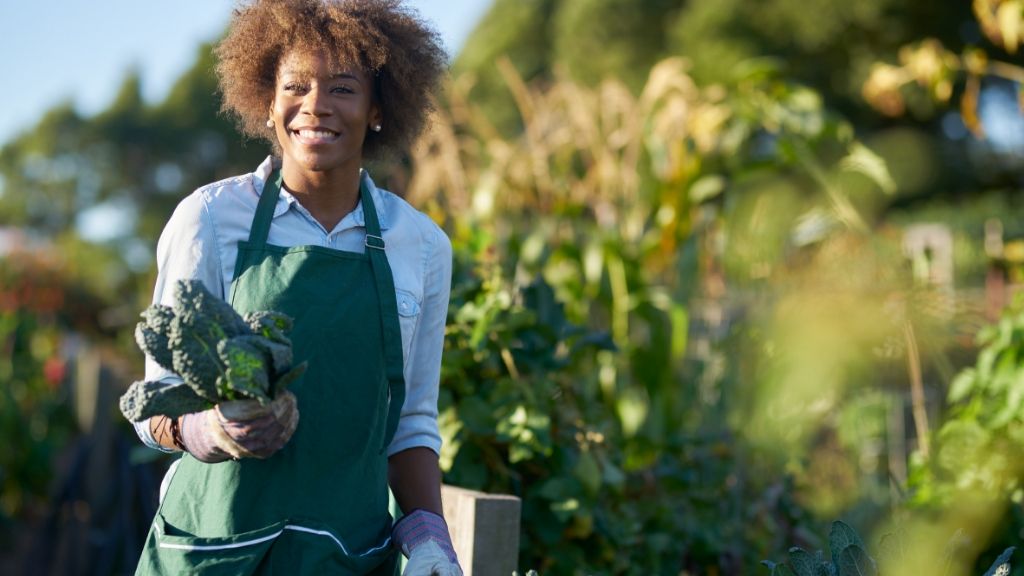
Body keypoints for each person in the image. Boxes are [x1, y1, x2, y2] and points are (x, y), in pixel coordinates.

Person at [130, 1, 459, 574]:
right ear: (268, 100)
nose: (315, 106)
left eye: (342, 88)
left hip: (346, 555)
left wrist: (432, 541)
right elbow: (154, 404)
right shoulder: (208, 220)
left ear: (378, 107)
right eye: (295, 86)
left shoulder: (421, 247)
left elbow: (409, 424)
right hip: (214, 550)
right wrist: (209, 430)